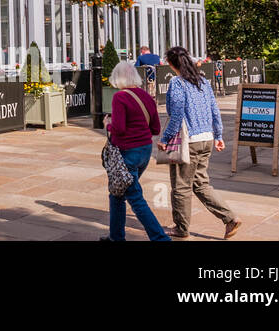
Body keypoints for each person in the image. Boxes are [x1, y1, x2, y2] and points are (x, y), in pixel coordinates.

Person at [161, 46, 241, 240]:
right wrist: (219, 135)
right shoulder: (203, 81)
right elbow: (215, 110)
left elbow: (177, 114)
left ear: (172, 64)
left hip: (188, 141)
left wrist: (165, 139)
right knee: (200, 183)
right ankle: (229, 218)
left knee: (181, 186)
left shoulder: (177, 83)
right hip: (206, 138)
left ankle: (181, 228)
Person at [102, 61, 169, 241]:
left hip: (127, 152)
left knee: (135, 198)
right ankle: (116, 236)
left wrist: (108, 125)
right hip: (145, 151)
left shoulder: (120, 97)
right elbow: (155, 128)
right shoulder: (147, 97)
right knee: (117, 193)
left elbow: (119, 128)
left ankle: (160, 238)